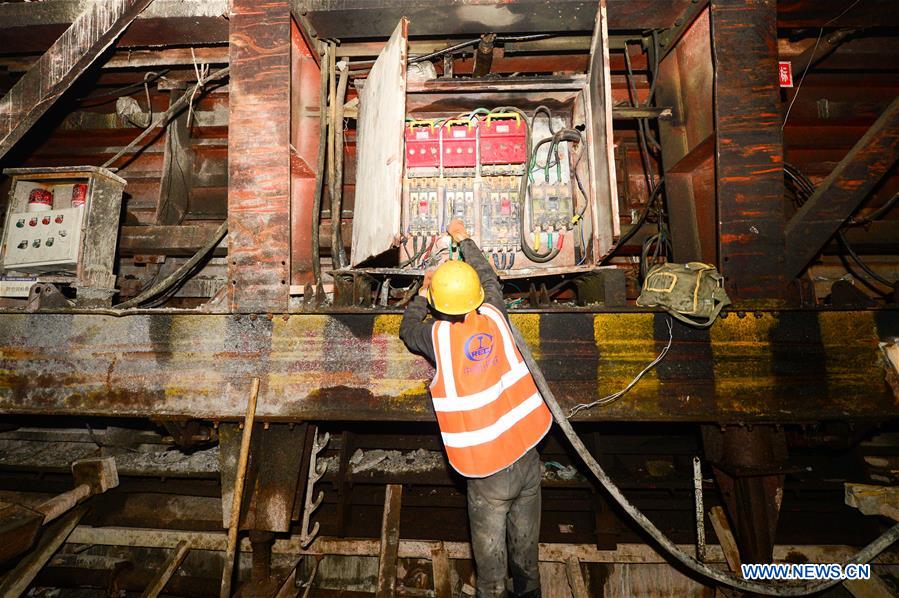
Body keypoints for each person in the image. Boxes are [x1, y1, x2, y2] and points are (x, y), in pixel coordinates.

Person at [399, 219, 551, 598]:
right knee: (527, 563)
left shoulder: (438, 338)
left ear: (439, 305)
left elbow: (407, 328)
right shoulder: (497, 316)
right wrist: (464, 237)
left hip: (486, 470)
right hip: (528, 457)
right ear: (477, 297)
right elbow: (489, 278)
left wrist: (421, 294)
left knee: (491, 574)